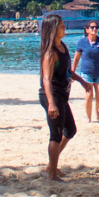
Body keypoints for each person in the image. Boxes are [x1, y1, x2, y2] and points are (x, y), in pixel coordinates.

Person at [39, 13, 92, 181]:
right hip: (51, 95)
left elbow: (67, 70)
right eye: (61, 25)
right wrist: (51, 103)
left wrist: (82, 81)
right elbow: (46, 79)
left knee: (70, 130)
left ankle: (51, 166)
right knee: (55, 134)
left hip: (61, 95)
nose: (64, 27)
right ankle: (52, 175)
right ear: (53, 29)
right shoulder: (50, 53)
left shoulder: (62, 46)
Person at [72, 21, 99, 122]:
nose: (95, 29)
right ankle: (88, 118)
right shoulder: (82, 42)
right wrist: (72, 72)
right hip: (86, 73)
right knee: (89, 95)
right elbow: (76, 58)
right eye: (92, 27)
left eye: (96, 27)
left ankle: (96, 109)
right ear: (87, 30)